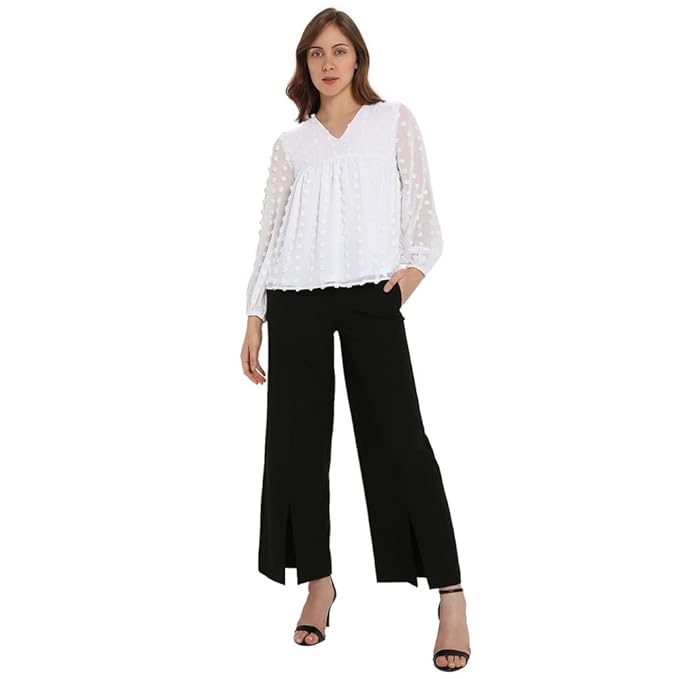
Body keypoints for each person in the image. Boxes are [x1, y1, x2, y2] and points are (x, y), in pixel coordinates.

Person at [240, 8, 471, 672]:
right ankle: (318, 583)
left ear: (358, 58)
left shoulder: (392, 120)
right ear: (304, 65)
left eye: (339, 50)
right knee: (297, 445)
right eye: (316, 53)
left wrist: (407, 280)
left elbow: (424, 214)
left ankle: (451, 596)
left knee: (400, 439)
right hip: (294, 296)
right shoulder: (292, 145)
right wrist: (254, 315)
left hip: (371, 292)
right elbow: (269, 232)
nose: (328, 63)